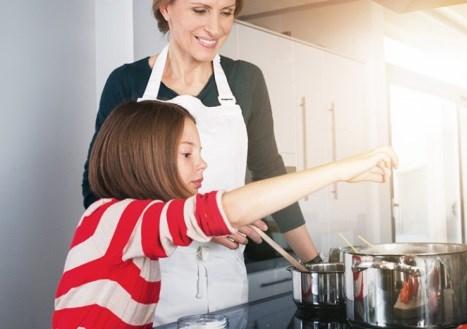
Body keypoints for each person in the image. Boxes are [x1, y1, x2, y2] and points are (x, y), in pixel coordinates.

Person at [55, 100, 397, 329]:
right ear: (142, 158)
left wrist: (213, 226)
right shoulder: (113, 217)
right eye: (187, 153)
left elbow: (195, 217)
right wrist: (340, 169)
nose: (202, 163)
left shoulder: (130, 221)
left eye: (200, 151)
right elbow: (215, 209)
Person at [81, 0, 322, 323]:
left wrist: (317, 267)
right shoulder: (128, 83)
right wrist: (199, 226)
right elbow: (98, 193)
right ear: (166, 9)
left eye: (226, 12)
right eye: (200, 10)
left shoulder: (245, 79)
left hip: (227, 287)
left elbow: (270, 174)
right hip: (149, 283)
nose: (216, 28)